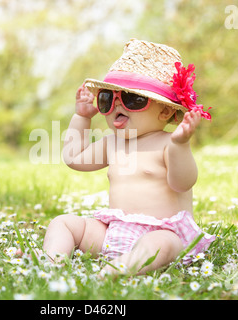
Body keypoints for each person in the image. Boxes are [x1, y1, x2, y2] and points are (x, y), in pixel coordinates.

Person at [43, 39, 215, 276]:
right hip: (113, 232)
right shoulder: (113, 142)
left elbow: (183, 182)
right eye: (107, 99)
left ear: (165, 111)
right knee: (63, 223)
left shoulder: (168, 144)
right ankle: (53, 264)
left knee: (162, 245)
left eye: (132, 100)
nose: (115, 107)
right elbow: (75, 158)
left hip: (160, 232)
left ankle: (119, 270)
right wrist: (81, 118)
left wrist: (181, 144)